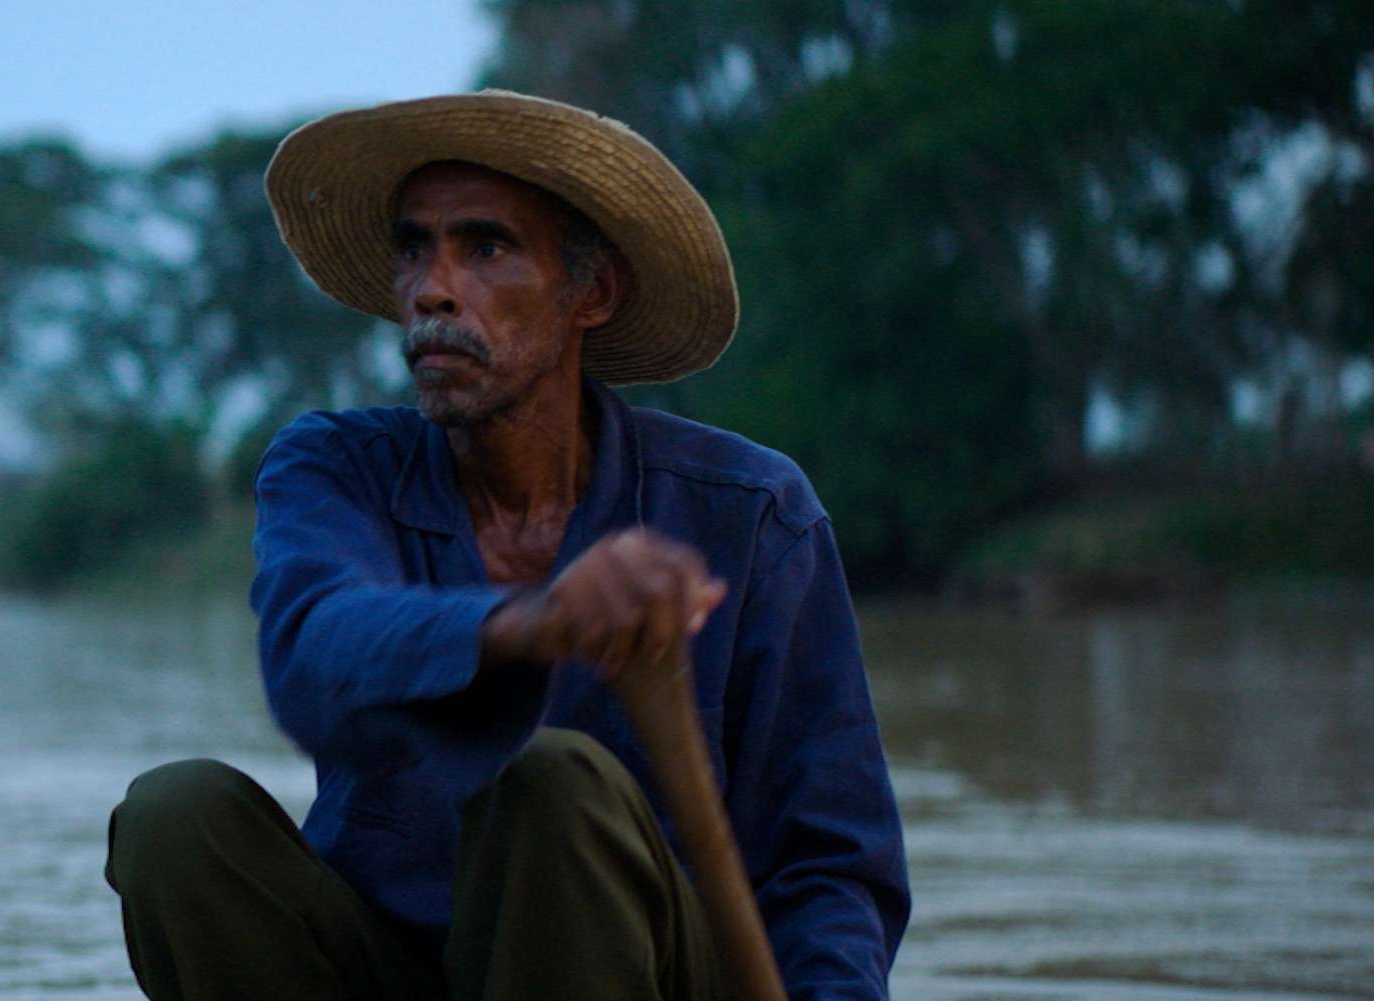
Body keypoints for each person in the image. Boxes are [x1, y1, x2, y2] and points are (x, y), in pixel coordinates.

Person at [103, 91, 909, 1001]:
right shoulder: (336, 466)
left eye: (485, 247)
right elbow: (313, 647)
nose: (431, 289)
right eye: (414, 248)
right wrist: (533, 620)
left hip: (648, 974)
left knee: (551, 778)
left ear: (589, 293)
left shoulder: (752, 512)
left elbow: (830, 865)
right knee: (174, 817)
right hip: (394, 968)